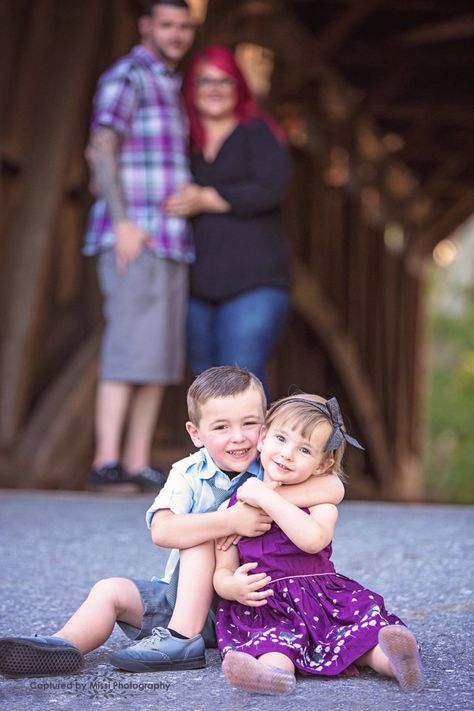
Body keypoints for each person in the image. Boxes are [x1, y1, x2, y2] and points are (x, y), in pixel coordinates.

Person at [0, 367, 344, 678]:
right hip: (183, 597)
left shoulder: (273, 463)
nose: (238, 437)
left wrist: (262, 501)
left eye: (249, 424)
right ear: (196, 433)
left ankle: (182, 640)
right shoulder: (188, 473)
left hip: (244, 604)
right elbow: (162, 531)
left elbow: (333, 486)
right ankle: (60, 646)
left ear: (266, 427)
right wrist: (231, 518)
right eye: (221, 427)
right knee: (112, 589)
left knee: (198, 535)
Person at [214, 394, 425, 695]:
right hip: (267, 605)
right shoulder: (231, 510)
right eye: (281, 439)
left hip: (323, 601)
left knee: (358, 639)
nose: (287, 454)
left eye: (304, 449)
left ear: (322, 463)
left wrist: (267, 497)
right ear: (261, 438)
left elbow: (313, 540)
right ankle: (272, 676)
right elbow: (222, 567)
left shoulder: (320, 502)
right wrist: (231, 587)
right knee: (274, 644)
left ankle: (398, 663)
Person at [84, 0, 196, 493]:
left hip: (172, 239)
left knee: (159, 356)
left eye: (184, 27)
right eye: (167, 25)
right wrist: (123, 221)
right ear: (146, 26)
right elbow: (101, 146)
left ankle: (135, 460)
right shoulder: (128, 74)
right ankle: (105, 459)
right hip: (135, 234)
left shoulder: (172, 84)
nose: (175, 34)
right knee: (128, 346)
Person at [166, 45, 291, 399]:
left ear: (239, 87)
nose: (215, 89)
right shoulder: (182, 140)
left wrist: (205, 198)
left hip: (255, 282)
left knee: (242, 377)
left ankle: (254, 458)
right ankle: (217, 457)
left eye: (225, 80)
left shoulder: (258, 132)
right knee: (204, 387)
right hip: (196, 285)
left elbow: (271, 187)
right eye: (205, 81)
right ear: (191, 87)